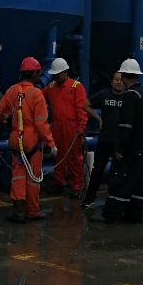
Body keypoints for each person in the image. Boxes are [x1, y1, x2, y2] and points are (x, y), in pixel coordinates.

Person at [0, 56, 56, 223]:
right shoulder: (36, 94)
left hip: (16, 140)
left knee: (18, 178)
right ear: (35, 74)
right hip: (32, 141)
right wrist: (51, 143)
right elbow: (41, 124)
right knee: (33, 179)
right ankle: (32, 212)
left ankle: (18, 213)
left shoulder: (12, 90)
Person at [93, 58, 143, 224]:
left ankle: (110, 213)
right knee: (138, 182)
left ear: (125, 76)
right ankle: (134, 214)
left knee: (120, 180)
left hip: (132, 148)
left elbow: (125, 126)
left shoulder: (131, 95)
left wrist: (120, 149)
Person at [43, 57, 88, 198]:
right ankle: (59, 183)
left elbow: (81, 109)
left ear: (66, 72)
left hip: (72, 127)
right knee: (58, 155)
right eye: (54, 74)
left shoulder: (76, 87)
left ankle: (77, 187)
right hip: (57, 126)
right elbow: (39, 97)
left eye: (58, 74)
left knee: (74, 157)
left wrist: (81, 127)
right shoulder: (51, 87)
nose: (56, 76)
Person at [82, 71, 125, 207]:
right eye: (116, 79)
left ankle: (117, 200)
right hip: (105, 139)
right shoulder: (104, 94)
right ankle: (90, 198)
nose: (119, 82)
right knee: (97, 170)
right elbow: (85, 105)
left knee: (119, 171)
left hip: (121, 141)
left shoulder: (129, 96)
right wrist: (98, 118)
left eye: (121, 80)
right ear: (111, 81)